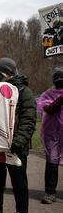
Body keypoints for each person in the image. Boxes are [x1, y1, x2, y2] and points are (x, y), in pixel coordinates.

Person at [0, 58, 36, 213]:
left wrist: (18, 142)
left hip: (16, 147)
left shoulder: (23, 92)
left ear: (5, 73)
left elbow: (28, 120)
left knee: (19, 183)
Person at [37, 67, 63, 204]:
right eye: (58, 79)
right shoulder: (47, 94)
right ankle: (50, 192)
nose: (60, 81)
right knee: (52, 161)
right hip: (52, 133)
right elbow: (48, 109)